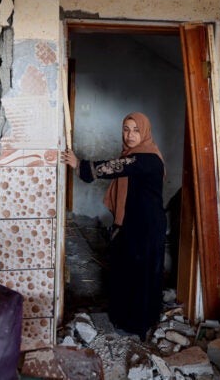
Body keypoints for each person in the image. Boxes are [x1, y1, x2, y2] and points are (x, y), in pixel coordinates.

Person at [61, 112, 166, 340]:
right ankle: (123, 319)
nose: (130, 135)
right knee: (125, 270)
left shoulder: (148, 158)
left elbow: (116, 167)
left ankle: (138, 325)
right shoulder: (131, 155)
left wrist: (80, 165)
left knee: (140, 274)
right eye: (126, 129)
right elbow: (121, 166)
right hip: (132, 223)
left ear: (145, 132)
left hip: (146, 227)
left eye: (136, 130)